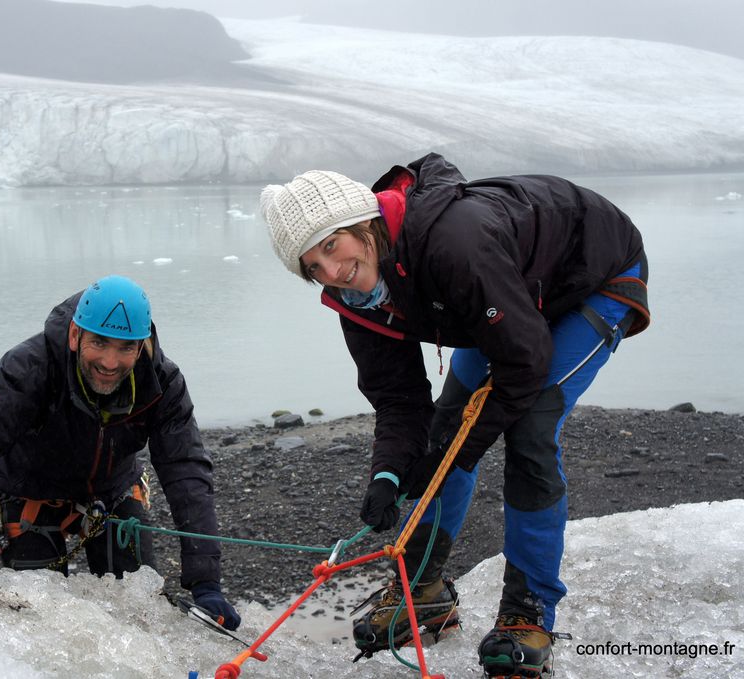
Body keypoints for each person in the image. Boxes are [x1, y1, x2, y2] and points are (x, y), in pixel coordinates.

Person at [260, 154, 649, 677]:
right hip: (507, 299)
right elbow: (399, 399)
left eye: (332, 245)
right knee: (444, 429)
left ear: (361, 223)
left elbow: (523, 362)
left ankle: (526, 613)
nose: (333, 272)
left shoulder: (454, 244)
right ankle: (423, 591)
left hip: (593, 278)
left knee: (529, 429)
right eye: (313, 266)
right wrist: (389, 471)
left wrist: (451, 454)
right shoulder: (353, 295)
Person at [0, 275, 240, 630]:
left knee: (136, 615)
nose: (110, 361)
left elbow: (186, 471)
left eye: (125, 347)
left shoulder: (161, 383)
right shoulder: (29, 367)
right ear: (76, 335)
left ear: (141, 346)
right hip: (29, 492)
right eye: (100, 342)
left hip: (113, 492)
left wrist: (206, 582)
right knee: (39, 622)